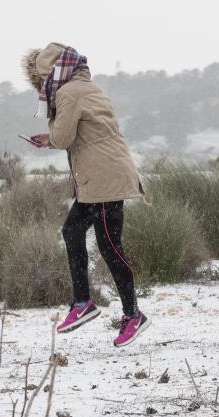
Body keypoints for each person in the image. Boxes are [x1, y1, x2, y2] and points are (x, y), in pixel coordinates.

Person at [22, 42, 150, 347]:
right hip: (100, 178)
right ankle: (83, 302)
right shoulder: (85, 86)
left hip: (104, 180)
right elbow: (78, 134)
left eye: (42, 82)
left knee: (109, 246)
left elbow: (65, 135)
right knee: (73, 231)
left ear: (50, 74)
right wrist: (50, 139)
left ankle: (132, 314)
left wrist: (52, 132)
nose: (43, 89)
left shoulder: (68, 92)